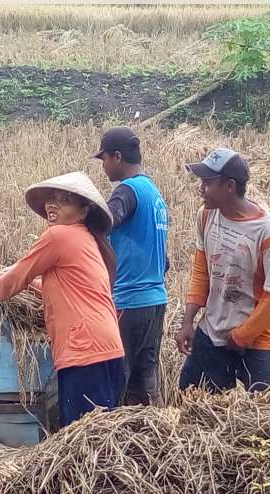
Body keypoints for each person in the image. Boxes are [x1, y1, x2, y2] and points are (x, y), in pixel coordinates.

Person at [0, 172, 125, 427]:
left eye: (64, 200)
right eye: (51, 198)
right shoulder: (85, 239)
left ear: (84, 211)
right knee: (101, 438)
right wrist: (28, 284)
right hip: (107, 347)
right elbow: (64, 286)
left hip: (84, 351)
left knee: (81, 438)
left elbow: (14, 279)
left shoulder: (59, 236)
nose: (53, 204)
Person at [176, 148, 270, 393]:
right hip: (212, 333)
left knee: (259, 423)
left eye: (208, 183)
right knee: (189, 401)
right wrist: (188, 321)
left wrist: (241, 336)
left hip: (256, 345)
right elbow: (201, 271)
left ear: (229, 186)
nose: (201, 189)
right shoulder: (206, 216)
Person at [93, 126, 169, 407]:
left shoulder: (127, 191)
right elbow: (165, 260)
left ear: (117, 157)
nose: (103, 167)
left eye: (104, 160)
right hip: (155, 301)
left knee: (115, 383)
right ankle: (162, 438)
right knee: (146, 384)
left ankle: (111, 444)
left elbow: (105, 221)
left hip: (130, 300)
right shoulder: (153, 193)